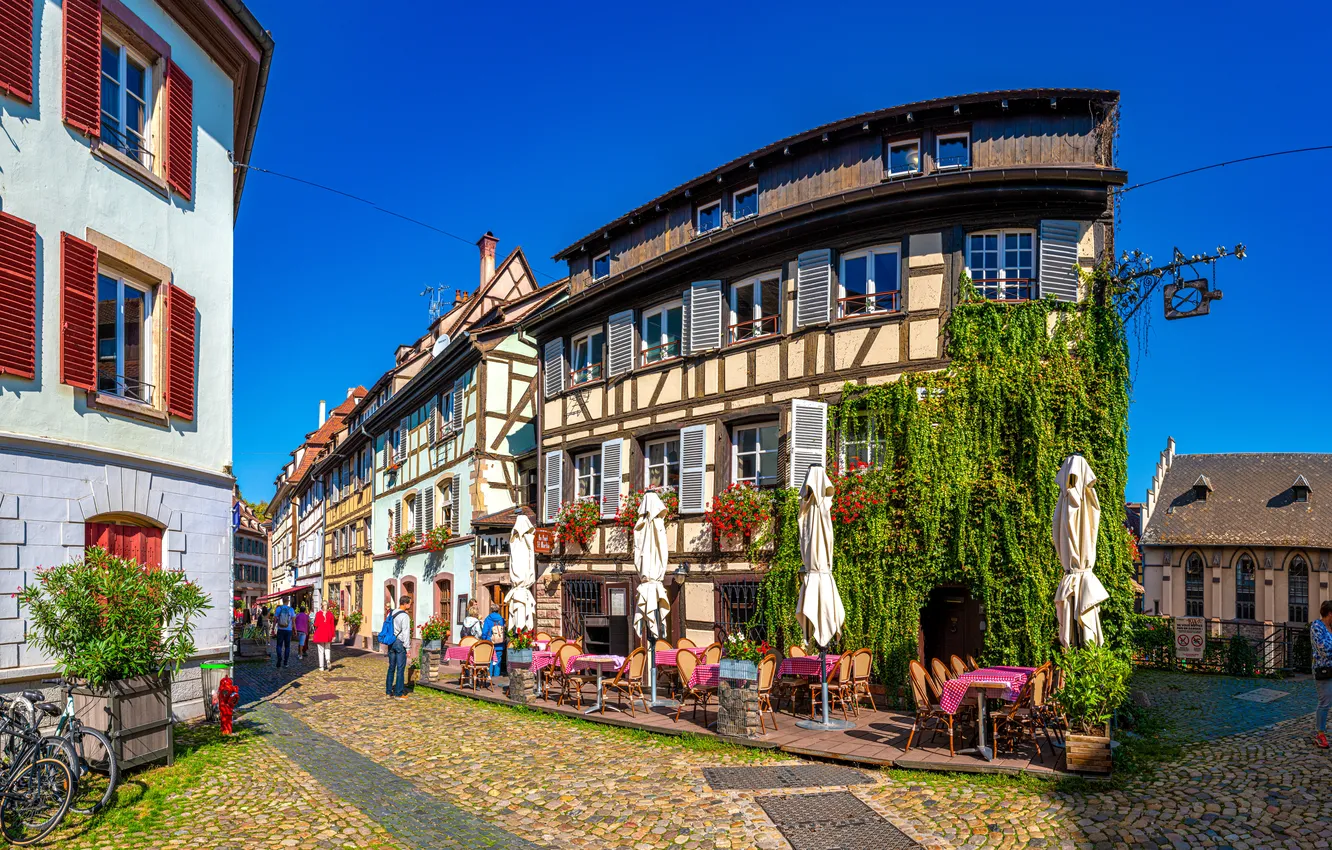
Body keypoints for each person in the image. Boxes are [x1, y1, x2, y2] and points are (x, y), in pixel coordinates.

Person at [385, 596, 412, 700]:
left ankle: (388, 691)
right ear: (405, 604)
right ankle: (398, 693)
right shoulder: (405, 616)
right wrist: (408, 648)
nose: (410, 605)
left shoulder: (391, 613)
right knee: (400, 668)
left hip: (391, 642)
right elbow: (406, 632)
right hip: (400, 643)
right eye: (409, 603)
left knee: (391, 667)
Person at [1313, 599, 1332, 749]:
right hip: (1324, 671)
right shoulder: (1317, 626)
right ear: (1330, 614)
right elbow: (1323, 649)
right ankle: (1320, 733)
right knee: (1325, 702)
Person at [481, 602, 505, 678]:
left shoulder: (488, 619)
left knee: (490, 659)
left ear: (491, 610)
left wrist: (484, 639)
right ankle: (497, 677)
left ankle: (489, 676)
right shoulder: (501, 619)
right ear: (498, 610)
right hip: (500, 643)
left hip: (490, 642)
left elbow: (484, 631)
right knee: (498, 660)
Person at [312, 600, 337, 672]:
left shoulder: (318, 614)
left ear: (321, 606)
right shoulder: (330, 614)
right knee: (327, 648)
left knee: (320, 650)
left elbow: (316, 624)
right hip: (328, 634)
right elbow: (332, 626)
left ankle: (321, 666)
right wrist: (333, 635)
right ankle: (328, 659)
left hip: (320, 633)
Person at [272, 599, 295, 668]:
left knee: (279, 645)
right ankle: (285, 662)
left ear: (282, 601)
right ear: (288, 601)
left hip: (280, 629)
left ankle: (279, 657)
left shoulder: (279, 608)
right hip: (288, 630)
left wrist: (273, 628)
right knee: (287, 646)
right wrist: (295, 630)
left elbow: (275, 619)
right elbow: (293, 621)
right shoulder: (291, 609)